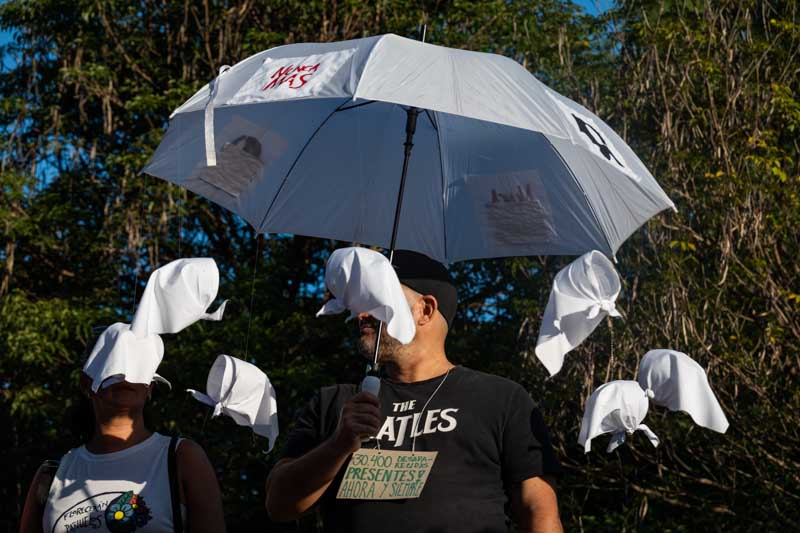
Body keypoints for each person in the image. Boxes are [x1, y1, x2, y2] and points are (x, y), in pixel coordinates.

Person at [265, 250, 563, 532]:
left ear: (425, 309)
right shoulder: (335, 402)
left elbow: (539, 512)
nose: (360, 315)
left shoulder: (501, 399)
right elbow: (278, 505)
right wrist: (339, 443)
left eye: (377, 297)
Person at [19, 372, 226, 533]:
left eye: (137, 366)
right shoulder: (53, 473)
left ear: (150, 386)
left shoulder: (182, 456)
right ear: (87, 384)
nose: (126, 375)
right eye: (111, 366)